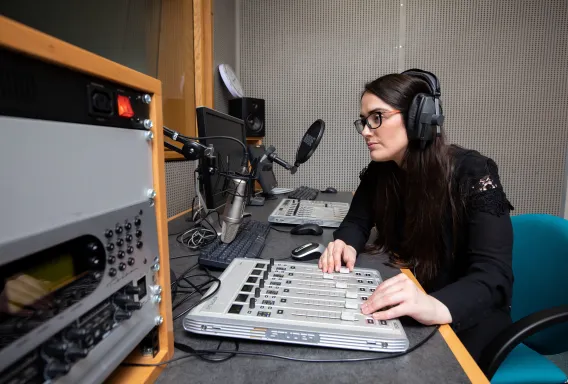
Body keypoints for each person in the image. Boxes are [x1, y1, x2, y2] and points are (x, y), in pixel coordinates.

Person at [318, 69, 514, 361]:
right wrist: (345, 242)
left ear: (418, 117)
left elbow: (494, 277)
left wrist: (432, 306)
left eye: (377, 118)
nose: (366, 131)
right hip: (414, 300)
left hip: (467, 314)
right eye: (364, 121)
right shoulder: (381, 172)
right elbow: (357, 221)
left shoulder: (473, 172)